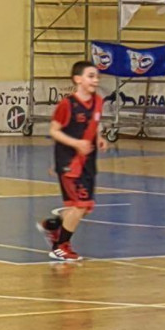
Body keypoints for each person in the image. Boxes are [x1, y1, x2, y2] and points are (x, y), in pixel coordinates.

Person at [36, 60, 108, 262]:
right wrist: (76, 144)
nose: (95, 80)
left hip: (88, 163)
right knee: (80, 205)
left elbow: (95, 122)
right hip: (71, 163)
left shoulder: (98, 101)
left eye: (97, 76)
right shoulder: (67, 105)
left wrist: (99, 137)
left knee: (82, 208)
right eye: (90, 76)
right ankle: (60, 246)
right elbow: (54, 131)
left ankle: (52, 226)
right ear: (78, 79)